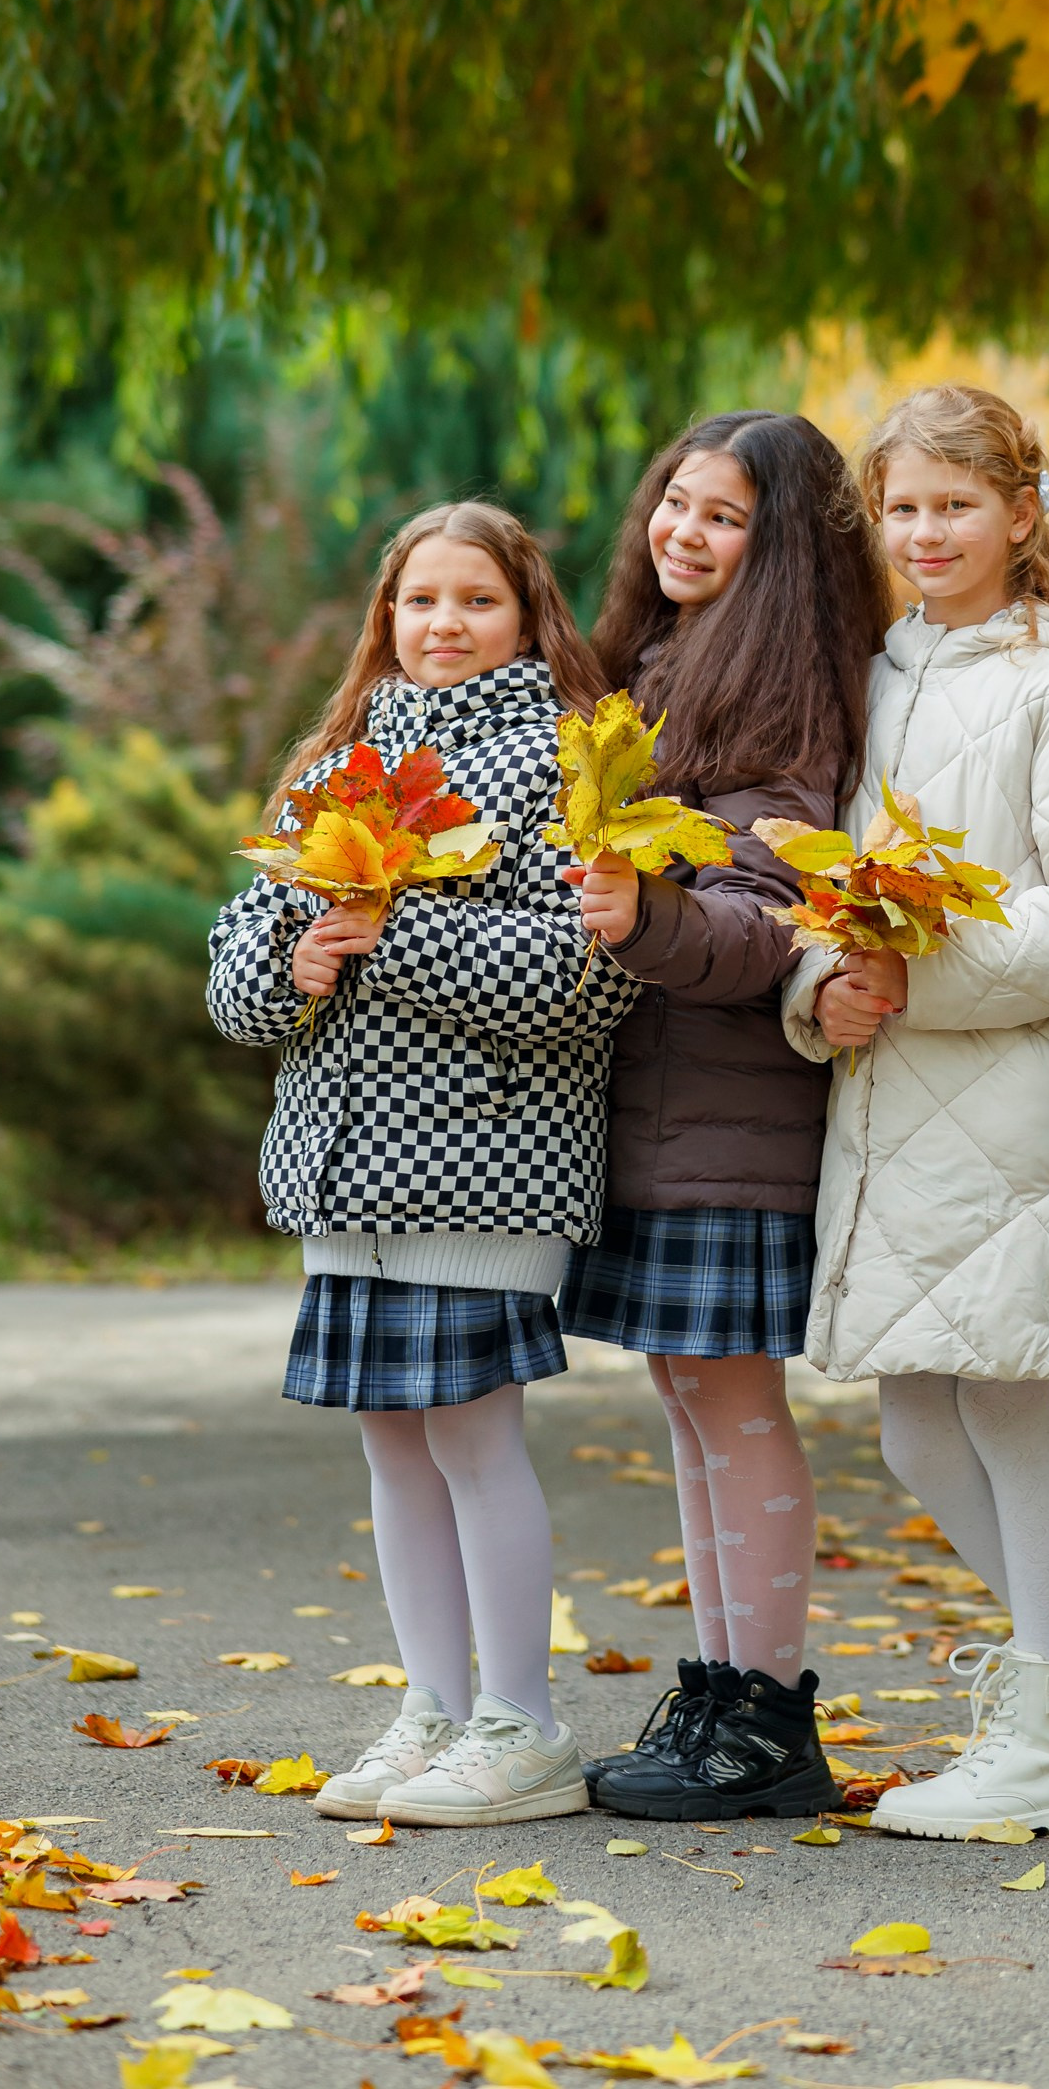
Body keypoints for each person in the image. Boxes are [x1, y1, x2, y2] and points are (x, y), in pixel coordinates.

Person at [207, 501, 631, 1829]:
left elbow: (585, 980)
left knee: (470, 1432)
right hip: (344, 1168)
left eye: (476, 601)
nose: (443, 626)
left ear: (528, 614)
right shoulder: (334, 766)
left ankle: (524, 1722)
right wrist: (295, 968)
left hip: (485, 1164)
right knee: (391, 1441)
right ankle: (433, 1710)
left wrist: (387, 938)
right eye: (419, 601)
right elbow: (234, 973)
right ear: (386, 615)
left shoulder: (561, 760)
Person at [788, 383, 1049, 1840]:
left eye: (955, 505)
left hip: (1009, 1095)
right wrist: (822, 988)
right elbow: (827, 889)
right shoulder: (873, 677)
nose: (926, 532)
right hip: (890, 1094)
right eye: (902, 508)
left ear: (1021, 513)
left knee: (1004, 1409)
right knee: (913, 1432)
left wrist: (923, 976)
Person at [562, 413, 894, 1819]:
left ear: (784, 554)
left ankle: (768, 1722)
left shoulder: (785, 695)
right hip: (651, 1103)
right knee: (687, 1398)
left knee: (734, 1402)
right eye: (675, 504)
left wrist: (649, 917)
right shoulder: (647, 668)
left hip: (731, 1109)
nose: (683, 534)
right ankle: (714, 1697)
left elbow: (765, 928)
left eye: (724, 518)